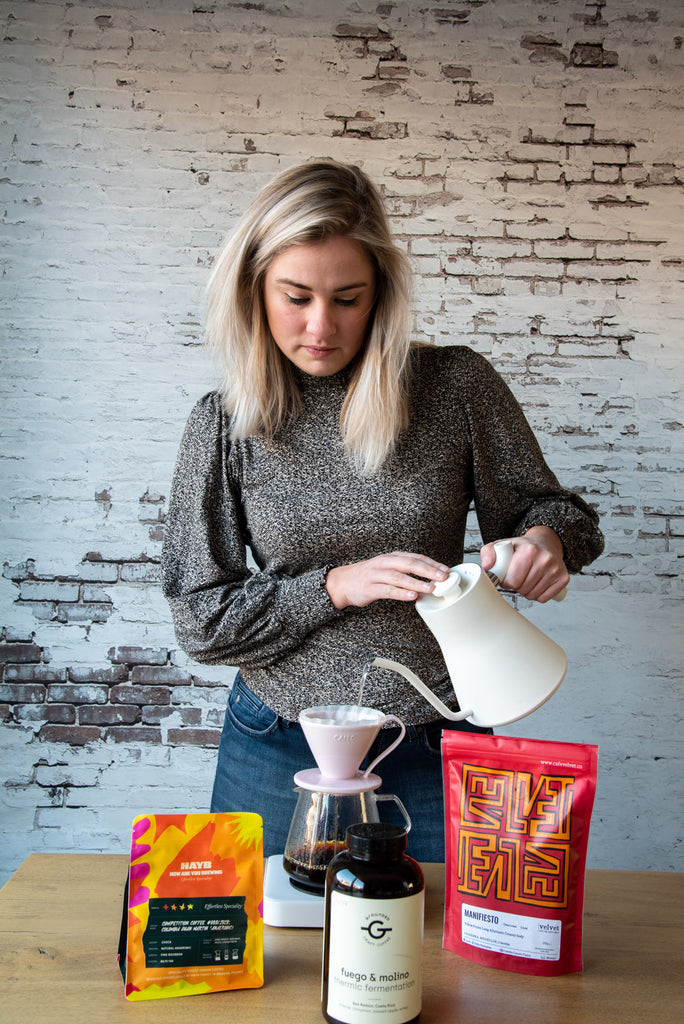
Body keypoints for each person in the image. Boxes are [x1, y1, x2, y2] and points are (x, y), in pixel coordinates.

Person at [161, 160, 604, 861]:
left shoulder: (454, 387)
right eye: (296, 296)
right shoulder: (224, 424)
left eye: (347, 298)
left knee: (436, 962)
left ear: (381, 295)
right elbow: (200, 621)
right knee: (272, 956)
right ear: (254, 290)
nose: (320, 325)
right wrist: (335, 586)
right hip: (277, 741)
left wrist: (542, 541)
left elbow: (553, 513)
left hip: (432, 740)